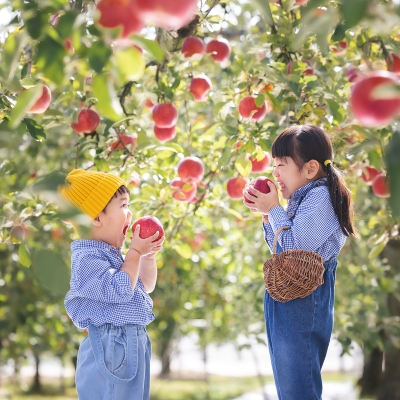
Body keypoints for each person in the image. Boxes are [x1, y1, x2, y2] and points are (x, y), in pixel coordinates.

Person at [243, 124, 357, 400]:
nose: (275, 173)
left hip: (305, 300)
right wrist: (267, 214)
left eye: (281, 164)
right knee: (289, 386)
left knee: (299, 388)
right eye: (274, 165)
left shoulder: (321, 198)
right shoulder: (302, 199)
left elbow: (295, 246)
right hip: (289, 296)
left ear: (309, 168)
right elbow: (281, 246)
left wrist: (273, 208)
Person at [58, 169, 164, 400]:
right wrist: (135, 252)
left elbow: (145, 285)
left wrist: (147, 257)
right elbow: (121, 289)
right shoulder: (87, 259)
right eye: (123, 205)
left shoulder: (111, 255)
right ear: (96, 217)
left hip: (129, 342)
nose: (130, 213)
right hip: (111, 346)